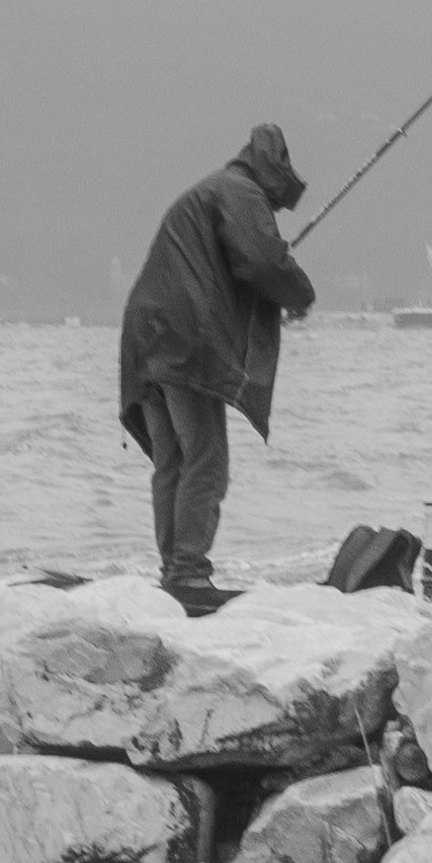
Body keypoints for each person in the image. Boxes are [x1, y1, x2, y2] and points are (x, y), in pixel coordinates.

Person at [118, 120, 314, 610]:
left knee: (173, 461)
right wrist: (299, 294)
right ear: (272, 171)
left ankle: (174, 571)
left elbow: (234, 265)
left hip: (145, 339)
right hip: (184, 342)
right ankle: (188, 573)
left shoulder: (213, 190)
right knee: (205, 460)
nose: (273, 209)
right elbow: (262, 261)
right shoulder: (240, 192)